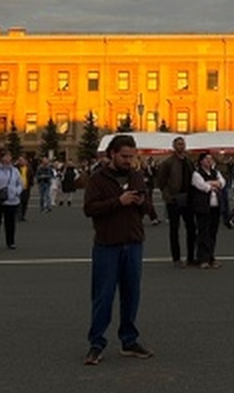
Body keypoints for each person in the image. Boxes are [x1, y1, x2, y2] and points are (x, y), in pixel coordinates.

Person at [83, 134, 158, 365]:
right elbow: (89, 209)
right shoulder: (98, 179)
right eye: (124, 156)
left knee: (131, 294)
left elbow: (148, 207)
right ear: (112, 154)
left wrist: (140, 202)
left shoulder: (136, 176)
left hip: (133, 243)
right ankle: (96, 343)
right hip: (108, 245)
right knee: (103, 296)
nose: (128, 161)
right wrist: (119, 201)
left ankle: (129, 340)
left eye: (131, 156)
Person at [154, 137, 198, 268]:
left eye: (183, 144)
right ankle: (176, 258)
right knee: (174, 229)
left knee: (191, 228)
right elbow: (161, 182)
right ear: (174, 146)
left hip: (188, 199)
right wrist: (168, 197)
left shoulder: (189, 162)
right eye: (179, 144)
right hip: (174, 199)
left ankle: (191, 257)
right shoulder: (168, 163)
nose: (181, 146)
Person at [190, 153, 226, 268]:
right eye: (207, 159)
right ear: (201, 161)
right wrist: (212, 184)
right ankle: (202, 258)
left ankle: (211, 256)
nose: (209, 161)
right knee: (203, 232)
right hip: (202, 207)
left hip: (215, 206)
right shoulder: (196, 174)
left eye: (211, 159)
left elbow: (222, 182)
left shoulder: (216, 172)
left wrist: (212, 183)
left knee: (212, 232)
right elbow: (202, 186)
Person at [0, 151, 24, 251]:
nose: (8, 158)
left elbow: (20, 183)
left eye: (9, 156)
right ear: (1, 158)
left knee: (10, 222)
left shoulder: (15, 171)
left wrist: (16, 192)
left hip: (12, 200)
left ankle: (10, 242)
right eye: (6, 156)